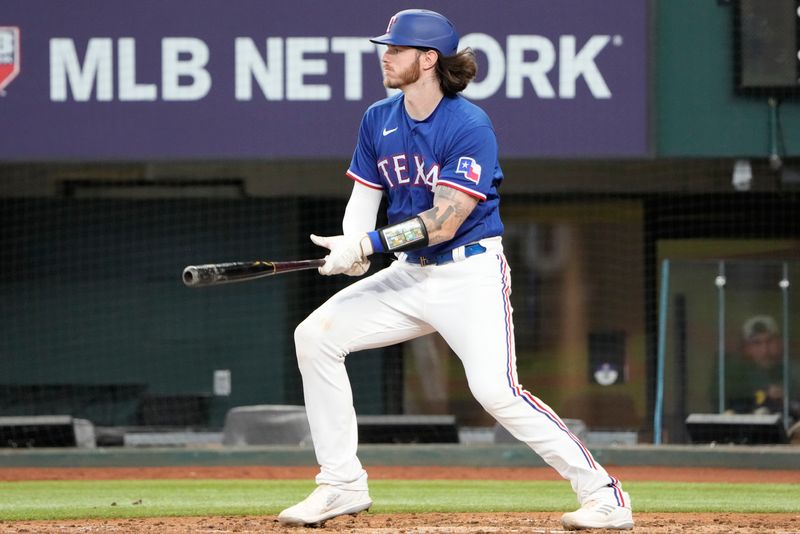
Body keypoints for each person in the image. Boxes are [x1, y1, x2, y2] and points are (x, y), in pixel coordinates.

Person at [278, 9, 633, 530]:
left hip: (468, 275)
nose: (386, 54)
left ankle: (604, 494)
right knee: (315, 337)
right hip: (408, 275)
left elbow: (444, 221)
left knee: (495, 391)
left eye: (397, 49)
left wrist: (370, 243)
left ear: (428, 60)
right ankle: (341, 484)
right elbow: (364, 196)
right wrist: (352, 246)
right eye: (387, 47)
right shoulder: (379, 117)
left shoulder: (468, 124)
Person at [726, 315, 799, 423]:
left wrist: (785, 400)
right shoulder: (738, 379)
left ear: (779, 343)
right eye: (757, 343)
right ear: (747, 348)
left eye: (769, 341)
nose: (765, 349)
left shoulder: (793, 373)